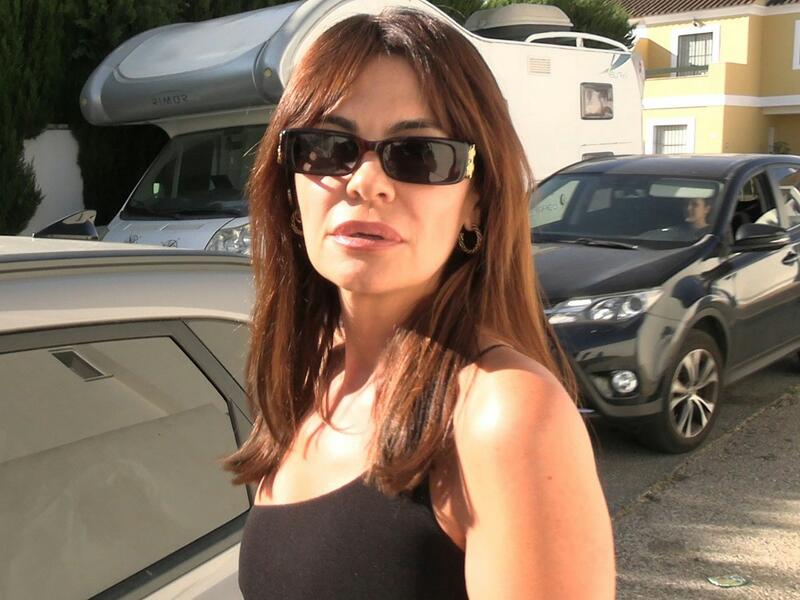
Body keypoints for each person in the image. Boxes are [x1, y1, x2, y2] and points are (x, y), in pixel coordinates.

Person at [226, 8, 615, 599]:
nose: (365, 182)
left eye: (419, 155)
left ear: (477, 200)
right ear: (289, 183)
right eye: (327, 148)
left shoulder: (505, 414)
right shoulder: (310, 377)